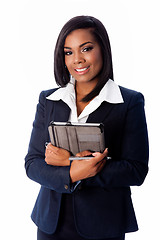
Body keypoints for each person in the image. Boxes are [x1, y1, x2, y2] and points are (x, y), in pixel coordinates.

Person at [25, 16, 149, 240]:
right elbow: (32, 163)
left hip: (103, 224)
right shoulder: (49, 100)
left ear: (103, 49)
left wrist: (69, 163)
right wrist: (73, 171)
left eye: (86, 48)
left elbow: (136, 170)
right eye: (69, 52)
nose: (77, 60)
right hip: (51, 224)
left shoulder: (129, 102)